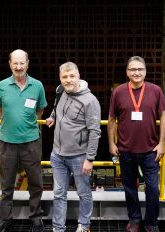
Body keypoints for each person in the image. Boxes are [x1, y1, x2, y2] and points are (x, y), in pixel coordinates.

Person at [107, 56, 165, 232]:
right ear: (127, 72)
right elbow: (111, 119)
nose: (137, 73)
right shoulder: (118, 92)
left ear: (145, 71)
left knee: (153, 189)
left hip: (151, 150)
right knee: (129, 188)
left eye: (140, 69)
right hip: (125, 150)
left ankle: (151, 222)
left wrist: (162, 143)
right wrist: (112, 143)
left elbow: (164, 116)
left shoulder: (155, 90)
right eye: (133, 69)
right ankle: (134, 219)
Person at [0, 49, 47, 232]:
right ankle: (5, 219)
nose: (18, 67)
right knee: (6, 184)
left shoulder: (37, 86)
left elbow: (40, 111)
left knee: (35, 182)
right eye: (15, 63)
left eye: (21, 63)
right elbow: (0, 111)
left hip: (31, 141)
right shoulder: (1, 86)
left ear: (27, 63)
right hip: (6, 142)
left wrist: (25, 125)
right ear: (10, 64)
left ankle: (36, 217)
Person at [46, 62, 101, 232]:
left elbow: (94, 132)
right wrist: (52, 116)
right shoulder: (60, 90)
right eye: (64, 77)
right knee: (58, 193)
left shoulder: (90, 101)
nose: (68, 80)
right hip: (57, 154)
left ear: (78, 76)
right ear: (60, 78)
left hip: (79, 157)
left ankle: (84, 225)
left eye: (71, 76)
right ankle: (58, 227)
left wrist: (89, 159)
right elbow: (57, 107)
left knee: (83, 193)